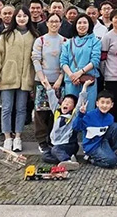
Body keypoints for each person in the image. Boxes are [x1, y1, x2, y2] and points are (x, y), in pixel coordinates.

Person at [0, 6, 39, 152]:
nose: (21, 19)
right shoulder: (6, 34)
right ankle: (7, 137)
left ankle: (18, 136)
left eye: (24, 16)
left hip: (26, 77)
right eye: (19, 16)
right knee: (6, 108)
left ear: (28, 18)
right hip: (8, 75)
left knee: (21, 108)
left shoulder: (34, 35)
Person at [31, 12, 67, 153]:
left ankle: (53, 139)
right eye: (51, 21)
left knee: (56, 111)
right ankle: (42, 141)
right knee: (41, 112)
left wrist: (60, 78)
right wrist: (42, 79)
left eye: (56, 21)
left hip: (59, 81)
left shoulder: (65, 41)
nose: (54, 24)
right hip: (42, 81)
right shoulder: (40, 40)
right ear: (46, 23)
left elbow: (66, 61)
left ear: (60, 24)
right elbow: (36, 59)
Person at [40, 80, 91, 170]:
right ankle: (68, 159)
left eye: (70, 102)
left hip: (69, 145)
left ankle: (67, 161)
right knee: (45, 155)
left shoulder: (74, 115)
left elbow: (80, 102)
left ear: (73, 107)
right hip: (56, 144)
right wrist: (48, 86)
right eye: (65, 101)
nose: (66, 103)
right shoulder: (57, 112)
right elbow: (52, 99)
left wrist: (85, 87)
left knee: (55, 150)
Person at [61, 14, 101, 112]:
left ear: (89, 25)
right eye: (79, 23)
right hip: (71, 81)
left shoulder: (95, 41)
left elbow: (95, 61)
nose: (82, 25)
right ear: (75, 25)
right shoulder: (68, 43)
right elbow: (63, 62)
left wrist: (79, 73)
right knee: (70, 110)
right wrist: (72, 75)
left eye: (85, 23)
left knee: (87, 109)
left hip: (88, 81)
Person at [74, 90, 117, 168]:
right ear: (97, 103)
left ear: (112, 105)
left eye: (108, 103)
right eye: (102, 102)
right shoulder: (89, 115)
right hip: (92, 146)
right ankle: (91, 159)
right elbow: (76, 127)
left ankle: (113, 153)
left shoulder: (110, 117)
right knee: (111, 163)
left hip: (103, 142)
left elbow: (111, 133)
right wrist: (80, 115)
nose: (105, 105)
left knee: (116, 126)